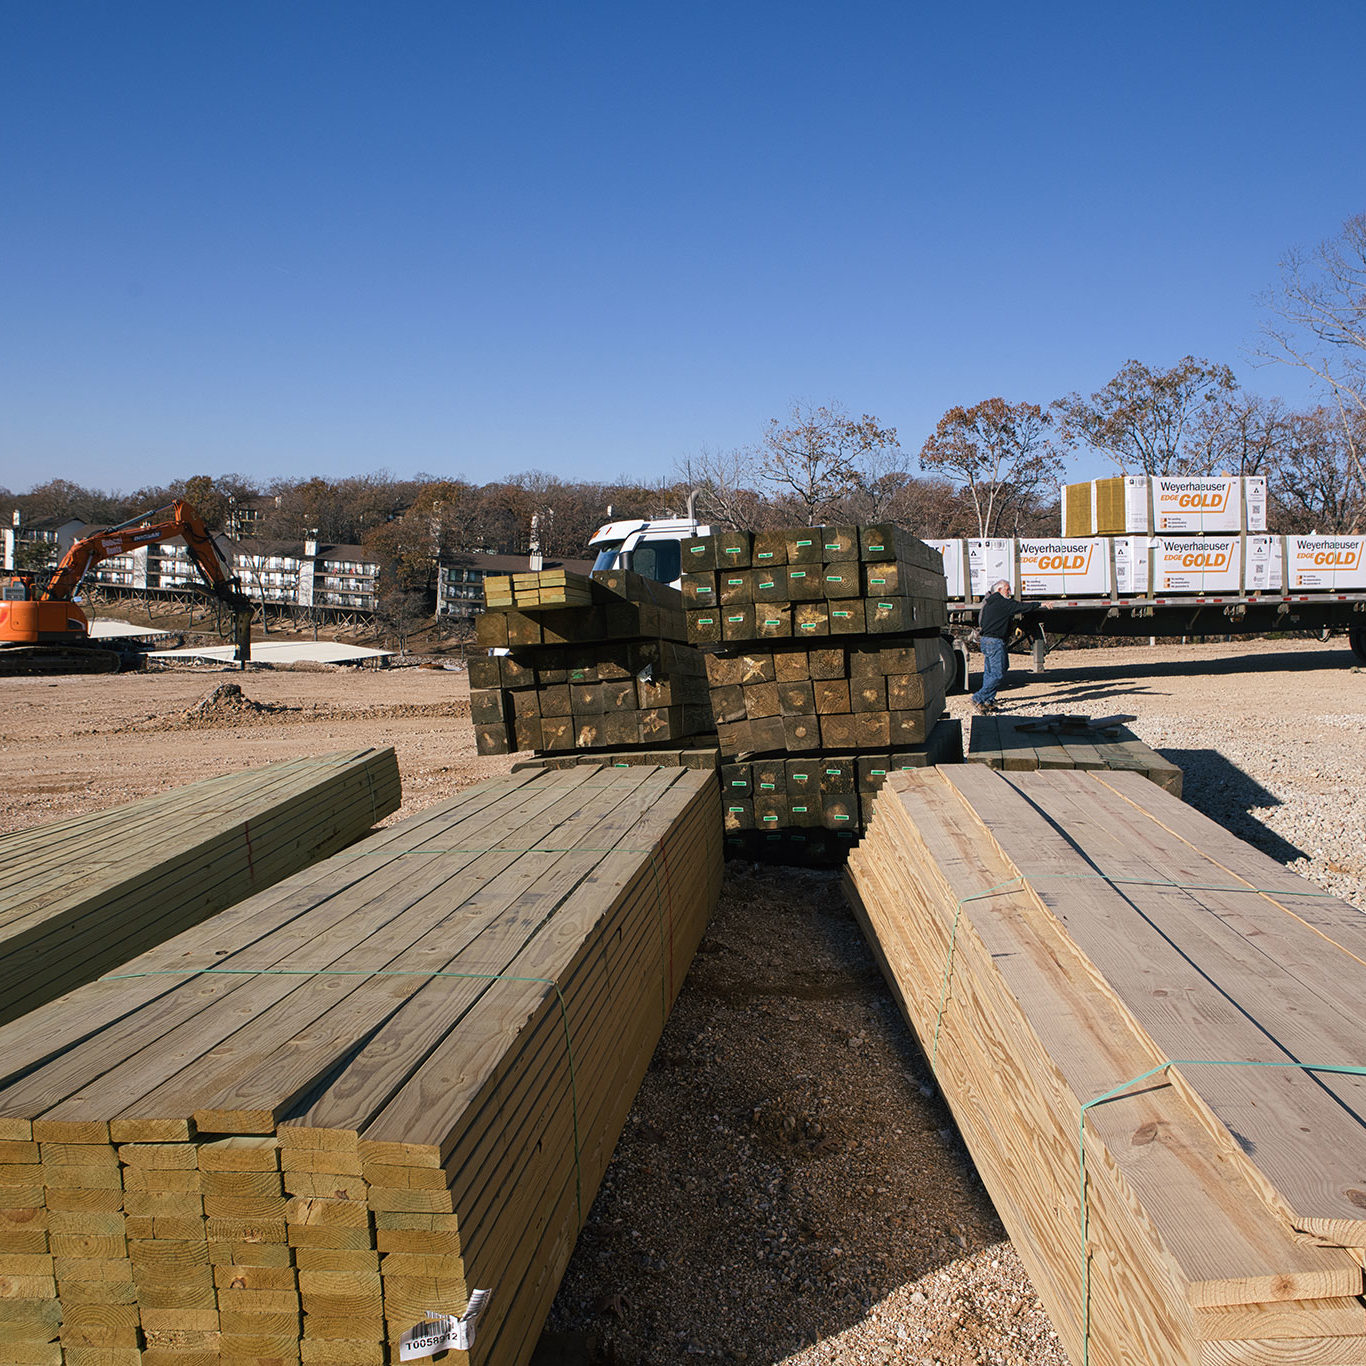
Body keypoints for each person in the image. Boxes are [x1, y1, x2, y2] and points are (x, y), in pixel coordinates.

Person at [972, 579, 1039, 714]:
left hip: (988, 641)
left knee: (991, 672)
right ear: (999, 590)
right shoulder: (1001, 602)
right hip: (995, 642)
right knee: (998, 672)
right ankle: (979, 697)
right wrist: (1039, 604)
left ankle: (988, 700)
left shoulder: (989, 602)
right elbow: (1020, 607)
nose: (1010, 593)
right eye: (1007, 590)